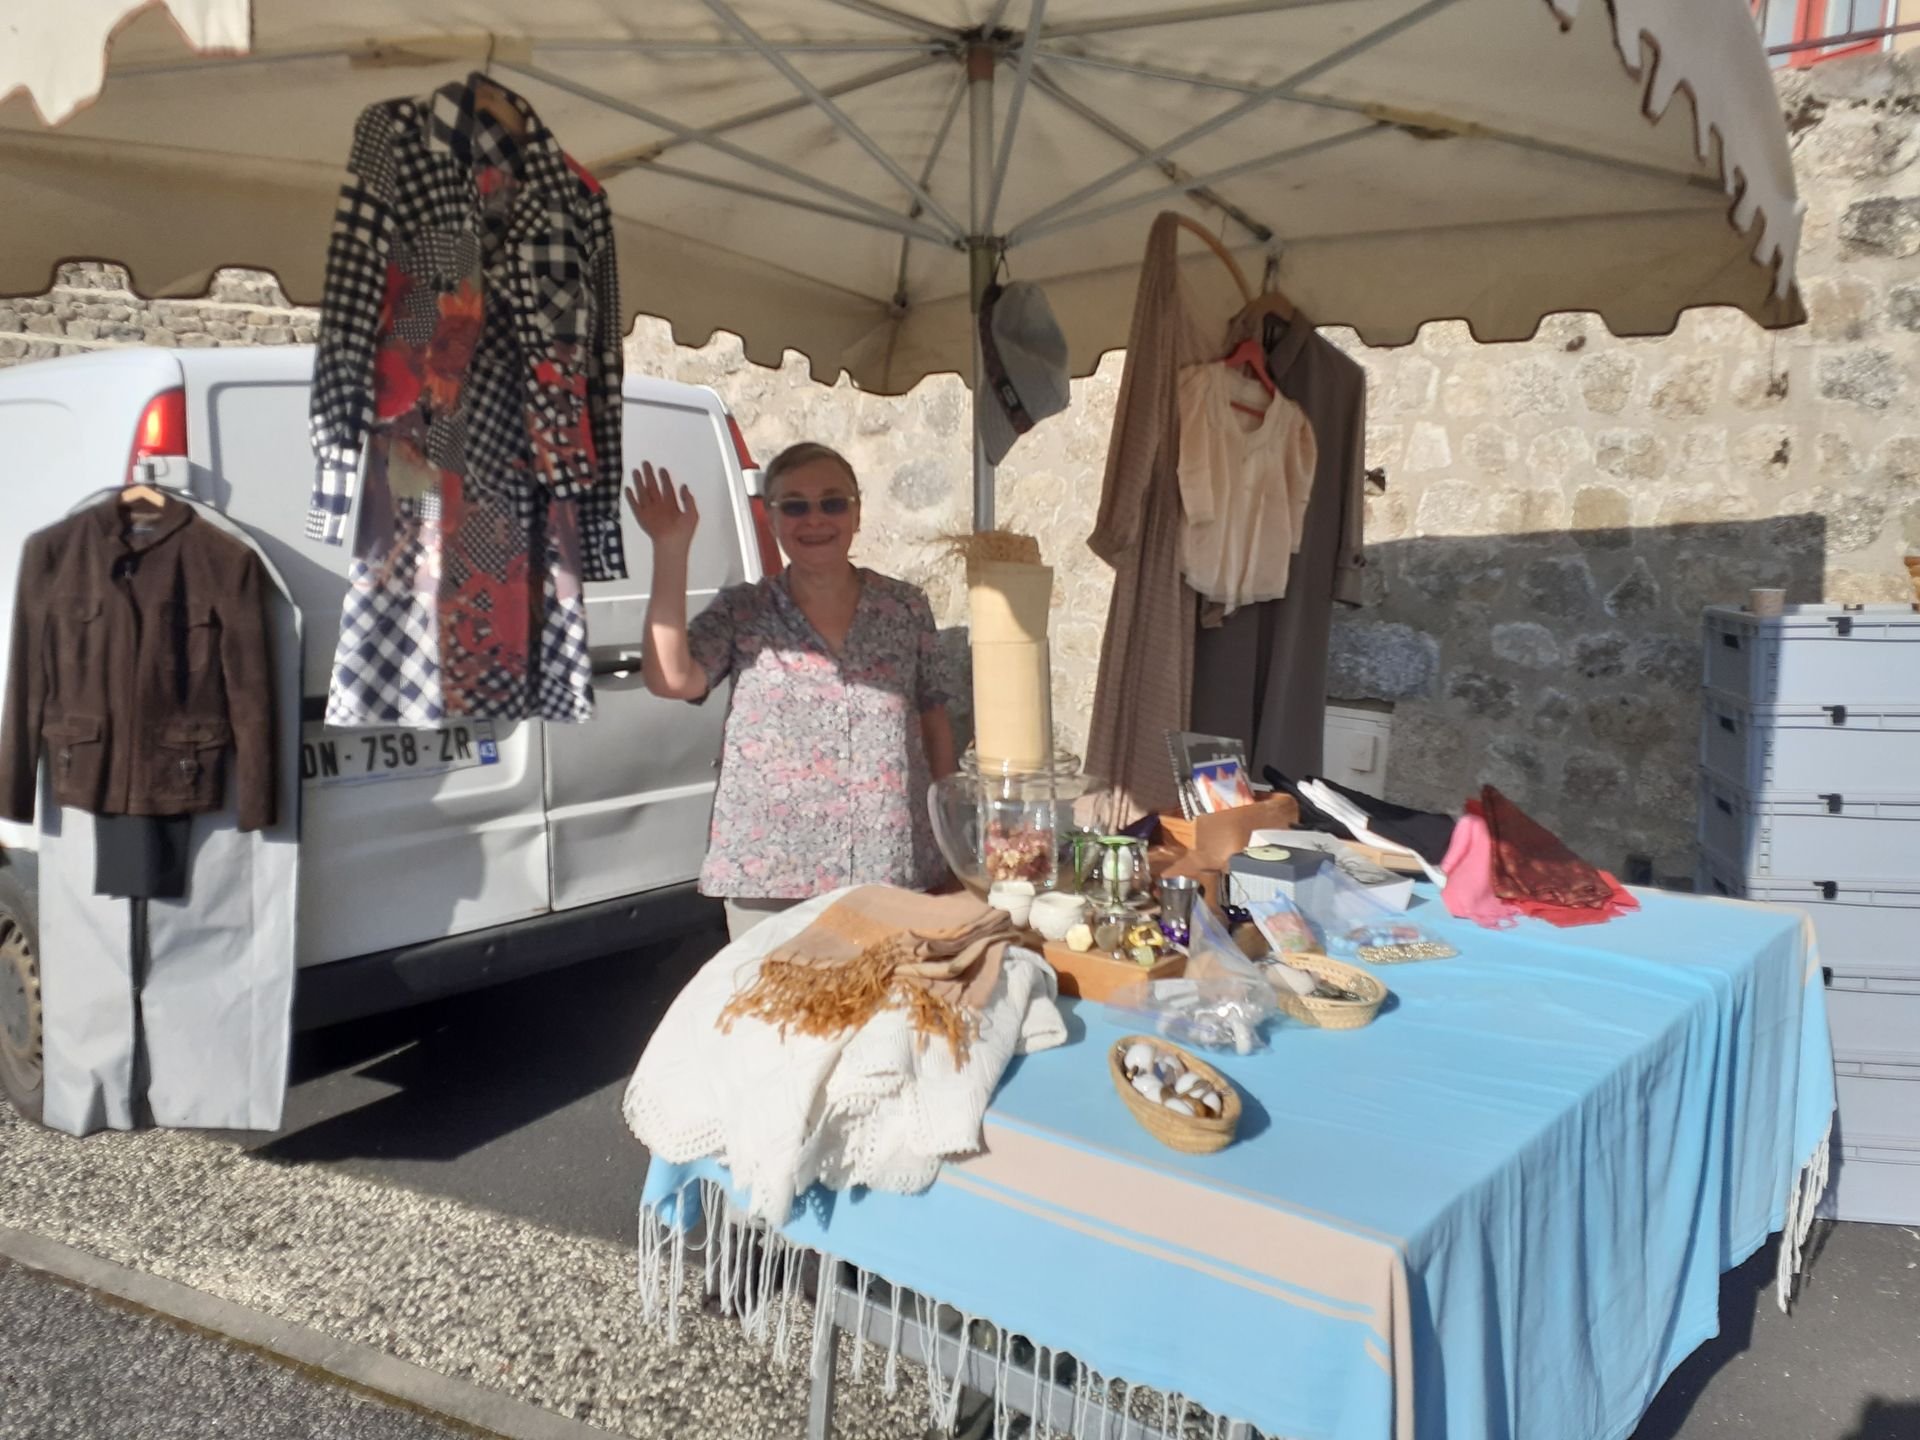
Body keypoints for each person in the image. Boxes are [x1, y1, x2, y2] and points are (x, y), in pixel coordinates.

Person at [630, 441, 959, 940]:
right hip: (774, 875)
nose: (815, 519)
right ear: (772, 519)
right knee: (775, 993)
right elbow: (671, 678)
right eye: (795, 506)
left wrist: (951, 829)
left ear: (857, 514)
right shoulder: (744, 610)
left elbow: (933, 716)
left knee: (892, 991)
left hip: (890, 866)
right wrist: (670, 547)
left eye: (833, 502)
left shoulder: (905, 606)